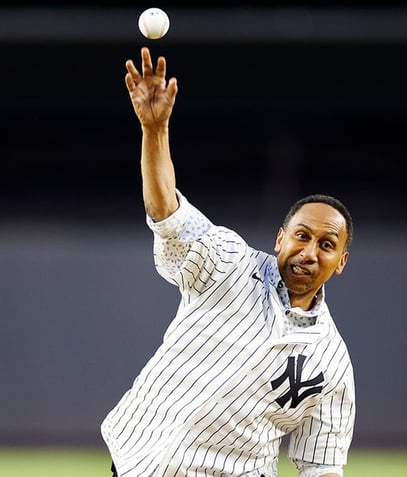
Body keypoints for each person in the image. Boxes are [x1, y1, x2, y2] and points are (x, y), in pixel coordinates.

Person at [101, 47, 356, 477]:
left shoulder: (331, 361)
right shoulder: (229, 263)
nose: (309, 251)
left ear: (341, 261)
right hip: (139, 463)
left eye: (326, 244)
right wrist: (155, 130)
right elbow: (168, 215)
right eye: (301, 235)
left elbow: (322, 464)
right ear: (281, 238)